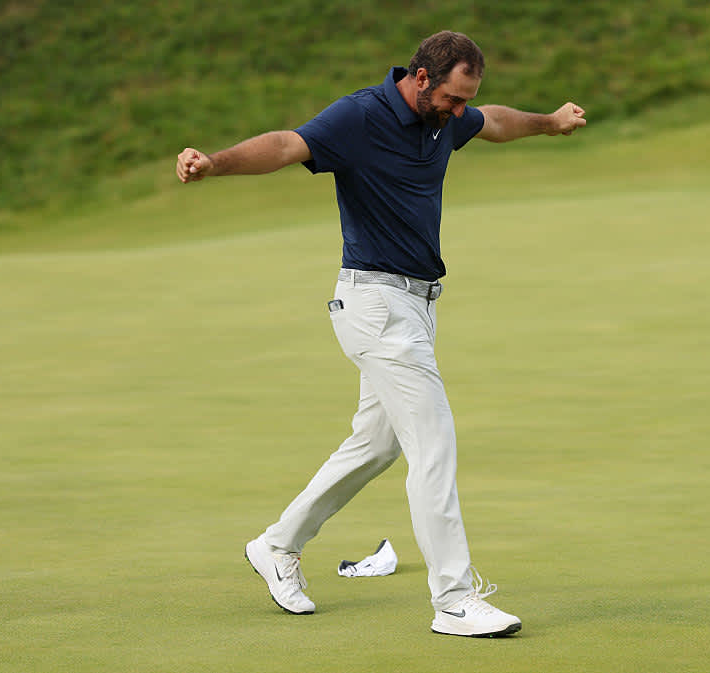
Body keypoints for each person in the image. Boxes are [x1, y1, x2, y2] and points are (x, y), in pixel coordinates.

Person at [175, 30, 586, 638]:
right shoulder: (360, 116)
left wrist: (549, 123)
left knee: (377, 445)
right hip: (375, 305)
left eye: (464, 100)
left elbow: (493, 121)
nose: (458, 110)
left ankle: (277, 543)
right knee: (433, 442)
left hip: (417, 305)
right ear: (421, 78)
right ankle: (453, 599)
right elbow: (288, 145)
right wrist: (215, 163)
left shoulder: (448, 118)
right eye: (451, 97)